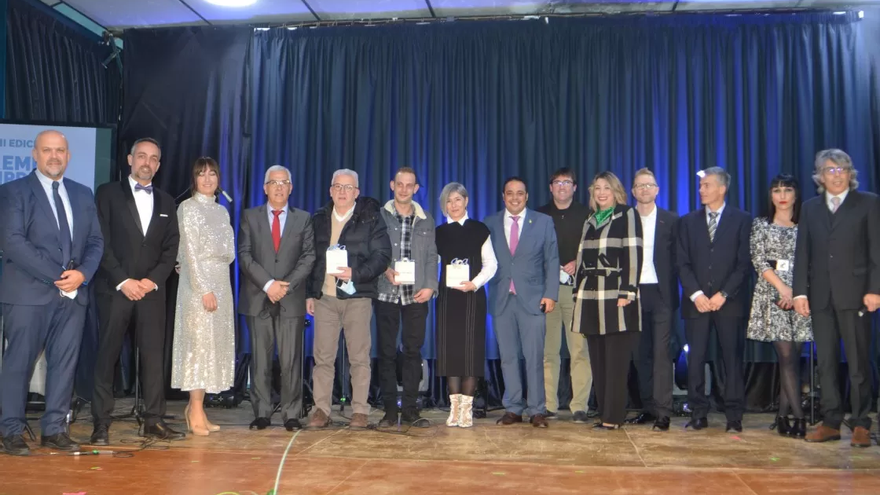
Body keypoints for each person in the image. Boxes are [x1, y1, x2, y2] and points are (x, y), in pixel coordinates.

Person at [0, 130, 104, 455]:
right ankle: (11, 430)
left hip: (73, 297)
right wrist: (60, 276)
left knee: (64, 364)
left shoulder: (83, 193)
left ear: (69, 156)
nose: (54, 156)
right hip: (28, 294)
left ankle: (55, 429)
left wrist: (83, 274)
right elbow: (13, 242)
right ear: (35, 154)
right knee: (19, 363)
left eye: (60, 150)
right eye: (47, 150)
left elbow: (96, 242)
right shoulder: (13, 192)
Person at [91, 137, 184, 444]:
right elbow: (99, 242)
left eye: (153, 158)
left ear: (158, 165)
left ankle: (154, 420)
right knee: (107, 356)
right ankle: (101, 423)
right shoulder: (107, 194)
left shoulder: (168, 201)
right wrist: (124, 280)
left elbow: (171, 249)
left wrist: (151, 280)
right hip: (114, 289)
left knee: (154, 357)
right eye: (141, 156)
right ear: (130, 159)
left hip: (151, 293)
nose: (147, 162)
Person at [794, 149, 880, 448]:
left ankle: (861, 423)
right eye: (830, 170)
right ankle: (830, 421)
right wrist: (800, 292)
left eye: (843, 169)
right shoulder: (810, 208)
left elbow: (876, 250)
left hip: (856, 296)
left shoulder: (868, 203)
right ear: (820, 176)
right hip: (820, 297)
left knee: (857, 363)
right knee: (826, 363)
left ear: (850, 173)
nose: (837, 174)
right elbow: (802, 252)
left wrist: (875, 289)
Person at [306, 169, 391, 429]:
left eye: (348, 188)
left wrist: (356, 272)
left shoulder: (371, 218)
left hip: (358, 297)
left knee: (359, 357)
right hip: (325, 299)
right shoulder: (318, 218)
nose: (343, 192)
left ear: (357, 192)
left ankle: (360, 411)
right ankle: (321, 409)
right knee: (323, 358)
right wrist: (310, 292)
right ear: (331, 190)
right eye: (338, 187)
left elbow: (382, 255)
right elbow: (311, 258)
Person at [239, 165, 315, 432]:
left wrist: (286, 286)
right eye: (274, 182)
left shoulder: (303, 218)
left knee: (291, 361)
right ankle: (261, 413)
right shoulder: (249, 216)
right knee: (260, 359)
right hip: (258, 297)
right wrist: (269, 284)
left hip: (290, 299)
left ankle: (291, 414)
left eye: (284, 182)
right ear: (265, 187)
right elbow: (245, 256)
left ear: (291, 188)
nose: (279, 187)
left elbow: (308, 257)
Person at [677, 167, 751, 433]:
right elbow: (682, 263)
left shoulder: (742, 220)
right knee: (695, 359)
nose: (701, 190)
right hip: (696, 303)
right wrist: (696, 294)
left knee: (731, 359)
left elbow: (744, 264)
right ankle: (698, 412)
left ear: (722, 188)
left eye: (707, 185)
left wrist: (723, 294)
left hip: (729, 303)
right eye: (700, 186)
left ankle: (734, 415)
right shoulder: (687, 221)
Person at [485, 177, 558, 428]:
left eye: (519, 193)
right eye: (509, 193)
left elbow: (552, 260)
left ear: (526, 196)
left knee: (535, 357)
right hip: (502, 300)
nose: (514, 198)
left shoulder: (543, 222)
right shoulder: (490, 223)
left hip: (533, 299)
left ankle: (537, 409)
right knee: (508, 357)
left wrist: (551, 294)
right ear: (503, 196)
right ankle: (513, 408)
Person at [571, 172, 642, 430]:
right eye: (597, 188)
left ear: (616, 191)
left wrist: (628, 291)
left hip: (616, 297)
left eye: (607, 188)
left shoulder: (627, 214)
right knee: (598, 361)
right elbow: (581, 256)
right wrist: (577, 292)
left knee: (615, 362)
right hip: (590, 298)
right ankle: (604, 415)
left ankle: (613, 417)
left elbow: (634, 252)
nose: (601, 193)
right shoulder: (590, 219)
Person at [170, 157, 236, 436]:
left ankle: (198, 408)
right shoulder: (188, 207)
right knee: (197, 345)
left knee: (214, 346)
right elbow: (190, 253)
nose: (207, 179)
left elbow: (229, 251)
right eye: (201, 174)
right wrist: (204, 289)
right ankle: (194, 407)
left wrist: (216, 285)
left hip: (221, 279)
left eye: (212, 174)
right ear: (194, 179)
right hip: (199, 284)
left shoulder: (222, 211)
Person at [747, 174, 812, 439]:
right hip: (771, 295)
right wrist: (783, 289)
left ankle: (783, 416)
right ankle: (799, 418)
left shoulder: (806, 224)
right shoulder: (760, 224)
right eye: (776, 190)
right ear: (770, 196)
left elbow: (812, 260)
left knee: (793, 359)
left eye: (787, 190)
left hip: (802, 297)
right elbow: (758, 259)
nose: (782, 195)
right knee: (785, 357)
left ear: (796, 195)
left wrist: (796, 292)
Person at [376, 167, 438, 428]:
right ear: (392, 185)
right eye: (399, 184)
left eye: (409, 185)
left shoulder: (426, 219)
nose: (403, 189)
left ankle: (411, 409)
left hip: (416, 296)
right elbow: (372, 251)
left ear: (416, 188)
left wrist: (431, 286)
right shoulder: (379, 216)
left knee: (413, 352)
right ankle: (390, 411)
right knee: (387, 353)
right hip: (386, 293)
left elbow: (432, 256)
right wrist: (384, 269)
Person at [435, 183, 498, 428]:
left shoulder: (479, 230)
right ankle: (453, 408)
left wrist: (474, 283)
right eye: (449, 201)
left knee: (470, 352)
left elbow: (491, 265)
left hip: (472, 297)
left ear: (466, 200)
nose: (454, 205)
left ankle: (467, 408)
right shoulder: (439, 232)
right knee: (450, 352)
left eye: (458, 200)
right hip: (448, 299)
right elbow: (431, 264)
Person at [536, 168, 593, 423]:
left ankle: (579, 405)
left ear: (575, 187)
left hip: (577, 290)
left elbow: (596, 250)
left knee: (579, 350)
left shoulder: (587, 215)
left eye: (566, 182)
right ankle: (548, 405)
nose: (561, 186)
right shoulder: (538, 215)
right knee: (548, 352)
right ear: (550, 187)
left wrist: (578, 262)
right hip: (546, 292)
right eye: (557, 182)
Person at [627, 168, 679, 431]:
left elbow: (680, 260)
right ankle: (647, 407)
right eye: (639, 185)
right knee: (640, 356)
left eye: (649, 185)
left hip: (661, 294)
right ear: (633, 191)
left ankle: (663, 412)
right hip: (632, 294)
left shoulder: (671, 220)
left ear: (657, 190)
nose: (644, 189)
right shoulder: (624, 219)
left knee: (661, 355)